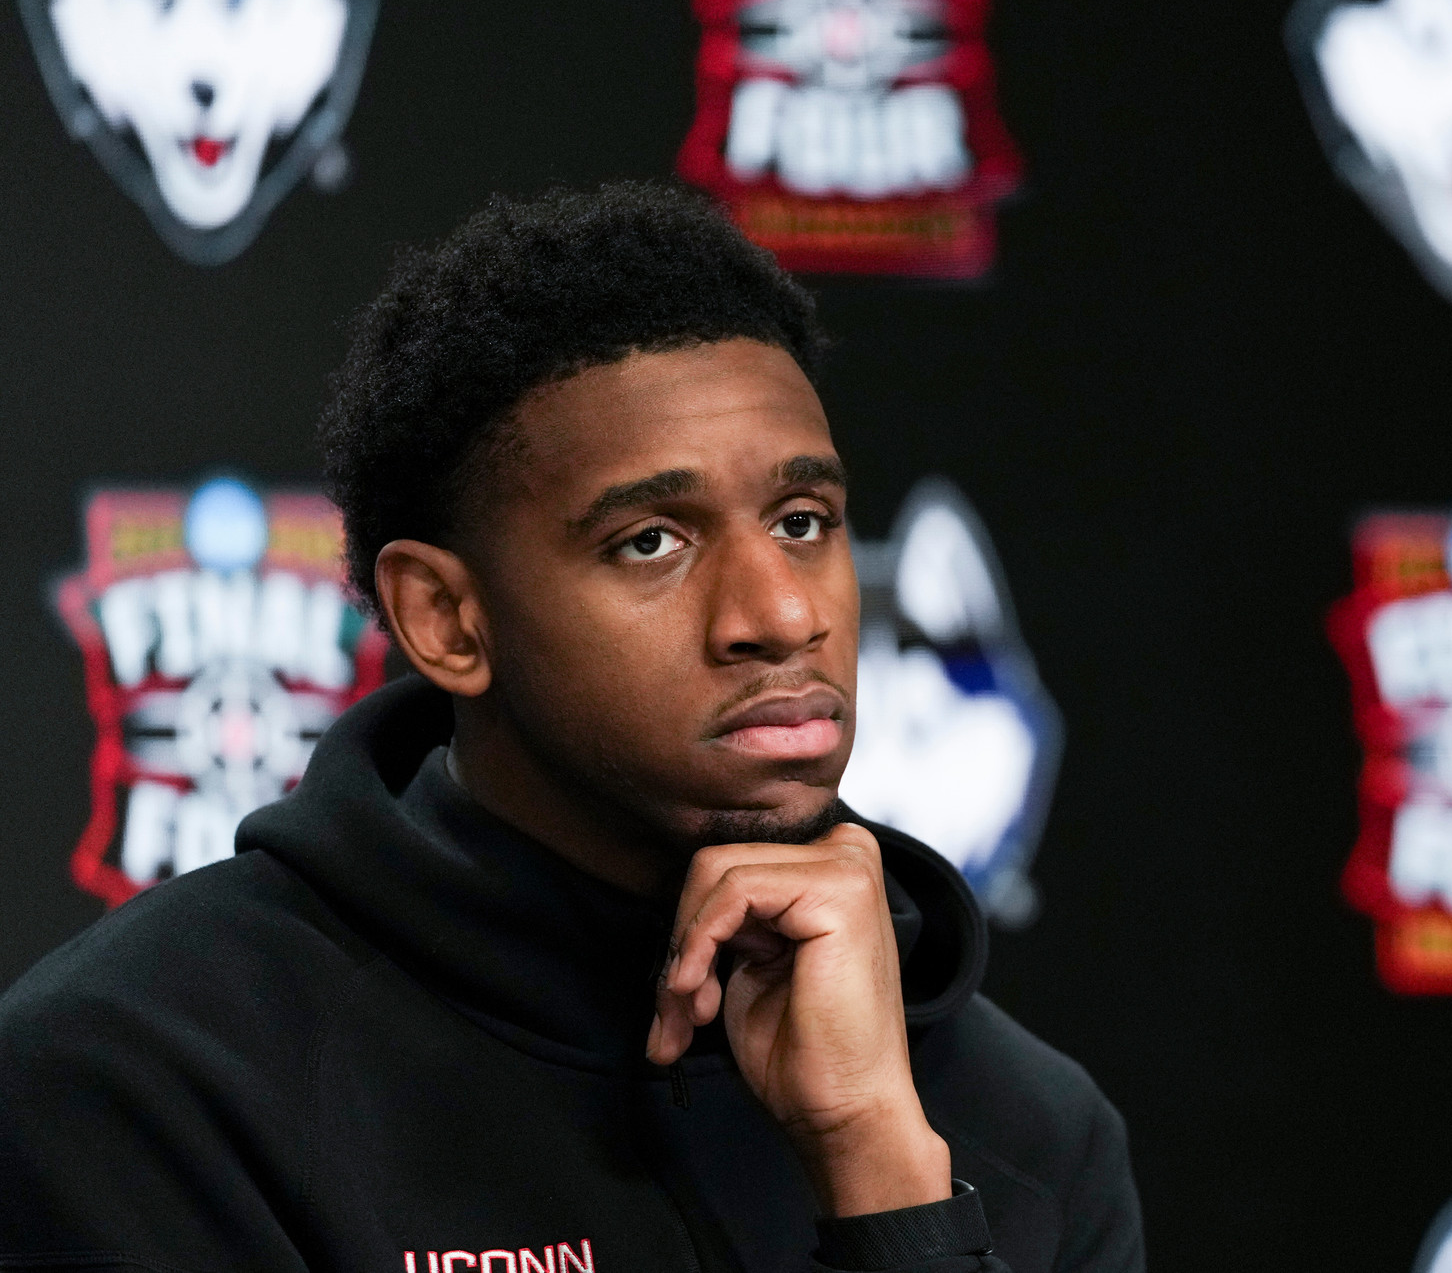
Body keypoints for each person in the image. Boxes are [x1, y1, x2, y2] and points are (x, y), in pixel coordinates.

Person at [0, 183, 1143, 1273]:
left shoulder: (1022, 1124)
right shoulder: (141, 1079)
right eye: (651, 540)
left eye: (803, 522)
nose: (781, 615)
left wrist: (885, 1188)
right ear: (446, 619)